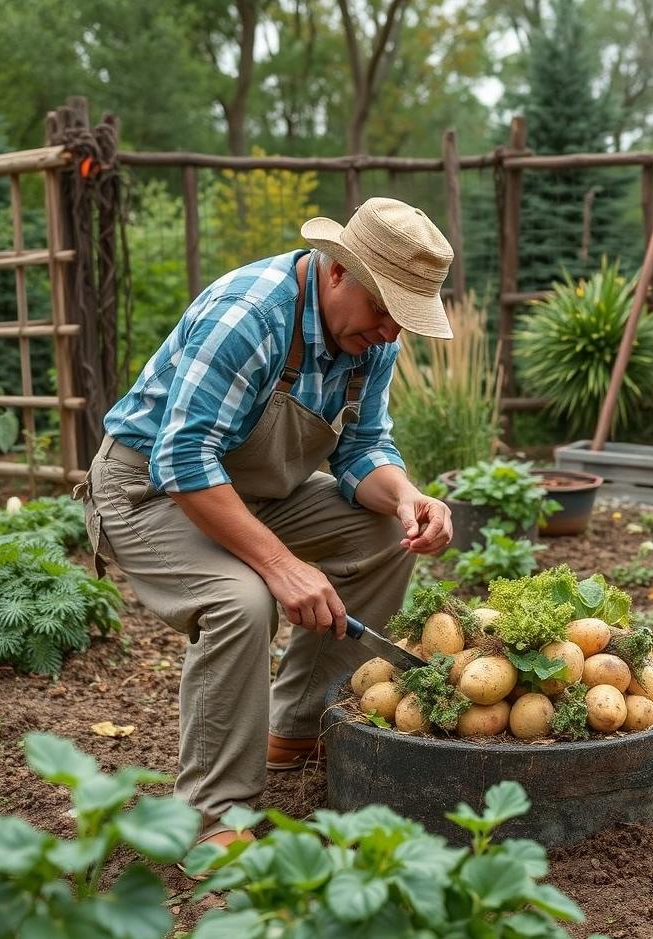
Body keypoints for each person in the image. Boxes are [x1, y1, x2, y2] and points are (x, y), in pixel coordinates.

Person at [75, 197, 455, 853]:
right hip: (146, 490)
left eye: (404, 318)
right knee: (241, 599)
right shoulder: (251, 314)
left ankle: (295, 725)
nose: (392, 332)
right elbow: (182, 457)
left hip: (248, 490)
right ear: (337, 272)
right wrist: (280, 566)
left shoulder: (370, 338)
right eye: (384, 311)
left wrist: (404, 497)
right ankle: (212, 813)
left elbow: (362, 448)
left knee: (383, 535)